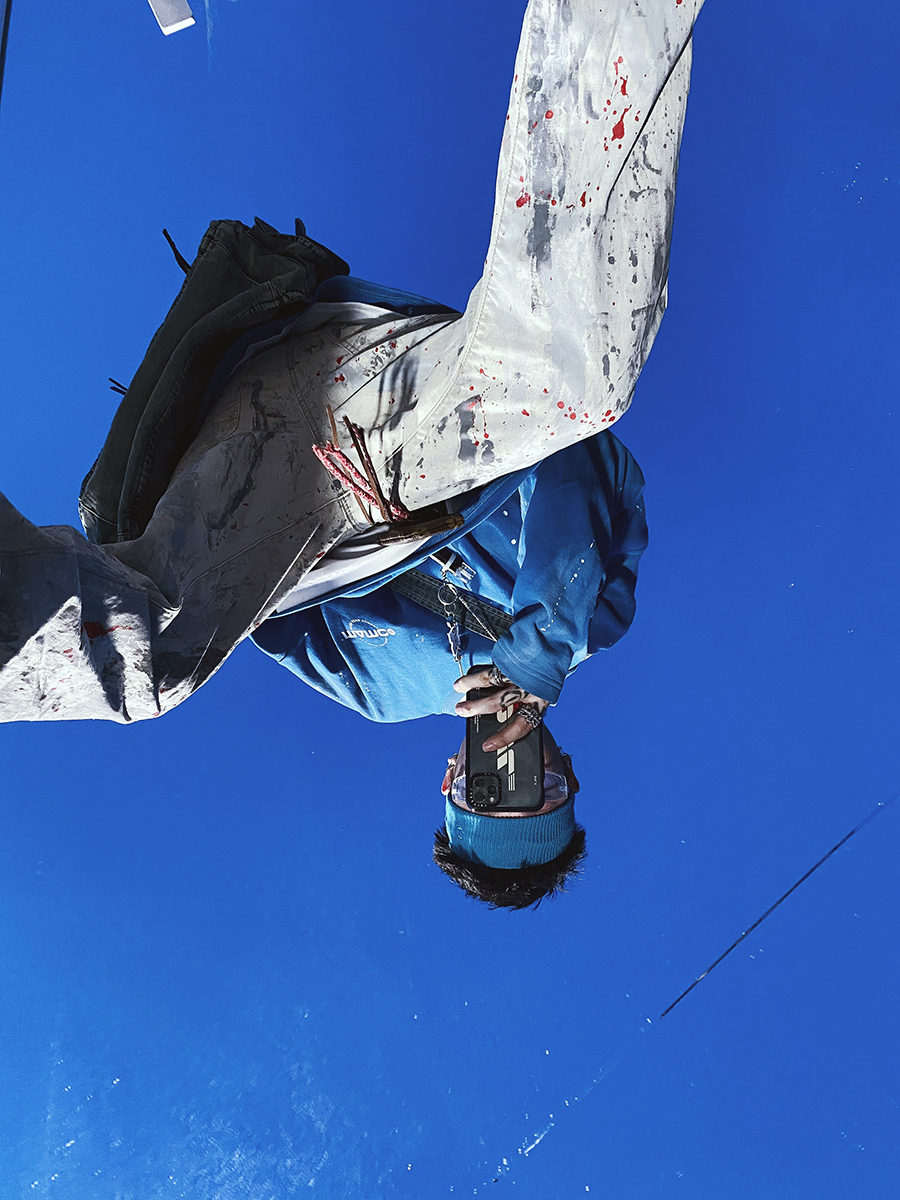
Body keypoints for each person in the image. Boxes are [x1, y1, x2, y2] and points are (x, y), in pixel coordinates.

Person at [0, 1, 703, 896]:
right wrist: (537, 648)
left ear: (450, 782)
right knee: (581, 380)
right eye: (538, 789)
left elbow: (257, 604)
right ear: (565, 771)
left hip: (284, 485)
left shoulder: (377, 693)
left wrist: (355, 534)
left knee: (154, 664)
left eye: (486, 794)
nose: (507, 765)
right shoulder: (591, 624)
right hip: (404, 412)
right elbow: (580, 459)